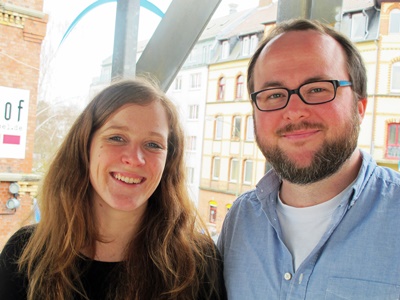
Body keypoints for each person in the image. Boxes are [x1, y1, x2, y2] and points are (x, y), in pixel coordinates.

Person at [217, 18, 400, 299]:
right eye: (274, 94)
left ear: (360, 107)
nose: (294, 111)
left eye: (317, 89)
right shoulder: (240, 220)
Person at [0, 78, 226, 300]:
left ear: (169, 160)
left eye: (153, 145)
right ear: (85, 146)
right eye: (117, 138)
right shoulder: (24, 255)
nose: (135, 159)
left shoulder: (197, 262)